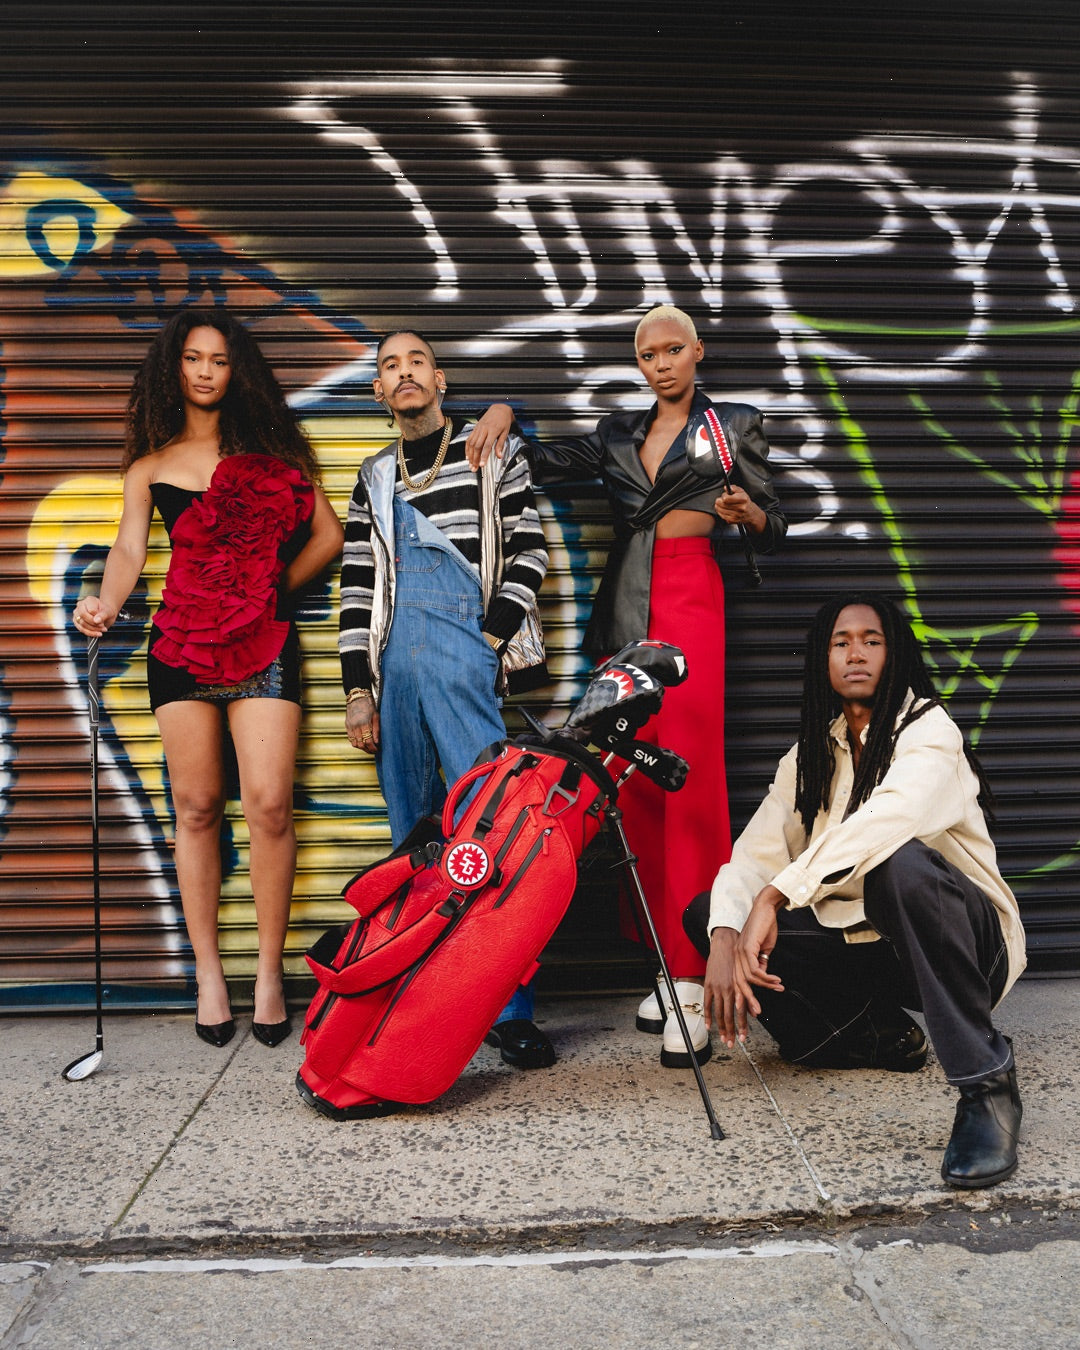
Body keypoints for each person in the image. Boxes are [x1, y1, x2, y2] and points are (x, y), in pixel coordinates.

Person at [465, 306, 786, 1068]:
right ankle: (663, 965)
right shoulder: (615, 434)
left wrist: (747, 513)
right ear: (638, 363)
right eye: (648, 354)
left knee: (690, 785)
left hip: (693, 599)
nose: (662, 363)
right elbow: (540, 460)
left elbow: (776, 520)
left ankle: (695, 972)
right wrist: (505, 412)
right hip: (626, 610)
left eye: (673, 349)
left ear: (698, 351)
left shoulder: (734, 423)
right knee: (636, 787)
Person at [684, 594, 1026, 1189]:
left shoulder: (929, 730)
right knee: (708, 911)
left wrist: (775, 896)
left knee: (898, 864)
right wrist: (723, 935)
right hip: (873, 947)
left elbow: (891, 818)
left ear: (895, 654)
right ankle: (874, 1036)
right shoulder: (811, 756)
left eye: (872, 640)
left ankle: (987, 1084)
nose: (856, 653)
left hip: (968, 950)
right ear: (824, 659)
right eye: (841, 642)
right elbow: (755, 852)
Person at [72, 308, 344, 1050]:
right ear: (174, 368)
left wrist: (268, 589)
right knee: (195, 809)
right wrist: (104, 603)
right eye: (193, 358)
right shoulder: (149, 467)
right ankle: (210, 976)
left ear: (237, 372)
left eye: (219, 360)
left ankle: (267, 975)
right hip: (180, 648)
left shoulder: (272, 454)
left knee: (270, 806)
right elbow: (128, 552)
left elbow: (328, 535)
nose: (205, 371)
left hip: (265, 644)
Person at [339, 330, 553, 1068]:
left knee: (491, 834)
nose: (404, 373)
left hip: (467, 653)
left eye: (417, 361)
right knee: (414, 841)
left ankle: (510, 1011)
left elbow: (530, 550)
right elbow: (358, 585)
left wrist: (487, 641)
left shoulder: (489, 451)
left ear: (440, 378)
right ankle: (424, 1000)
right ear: (378, 390)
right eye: (389, 366)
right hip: (394, 667)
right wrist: (359, 690)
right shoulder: (372, 478)